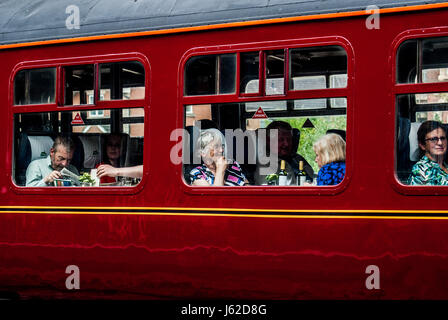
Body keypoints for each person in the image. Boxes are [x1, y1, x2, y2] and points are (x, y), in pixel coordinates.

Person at [254, 121, 314, 185]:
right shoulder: (264, 163)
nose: (286, 144)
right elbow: (268, 190)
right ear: (268, 140)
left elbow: (313, 178)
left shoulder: (298, 159)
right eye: (281, 140)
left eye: (289, 139)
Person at [408, 120, 448, 185]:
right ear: (422, 145)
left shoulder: (445, 165)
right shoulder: (421, 170)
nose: (440, 143)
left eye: (443, 138)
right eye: (434, 139)